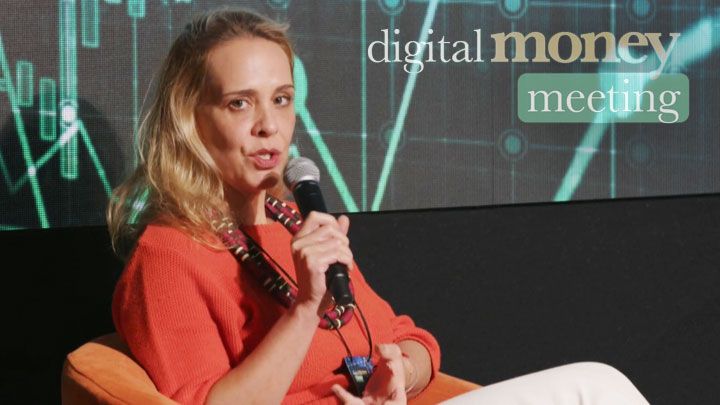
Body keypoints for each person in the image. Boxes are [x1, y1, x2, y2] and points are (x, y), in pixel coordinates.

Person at [108, 8, 650, 405]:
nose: (268, 125)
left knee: (598, 386)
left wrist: (400, 374)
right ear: (190, 119)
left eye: (281, 99)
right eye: (239, 103)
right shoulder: (170, 254)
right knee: (594, 388)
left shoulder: (294, 225)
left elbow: (409, 338)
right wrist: (305, 309)